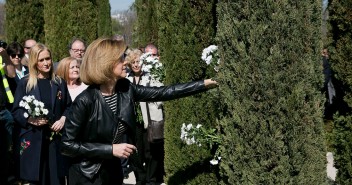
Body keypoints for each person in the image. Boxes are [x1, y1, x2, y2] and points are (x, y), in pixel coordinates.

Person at [61, 37, 218, 185]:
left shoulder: (125, 89)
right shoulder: (85, 100)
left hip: (113, 170)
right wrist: (110, 150)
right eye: (121, 59)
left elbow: (162, 92)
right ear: (106, 64)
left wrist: (203, 84)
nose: (126, 62)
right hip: (88, 175)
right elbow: (67, 145)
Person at [12, 43, 72, 185]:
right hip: (34, 140)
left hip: (55, 142)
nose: (46, 63)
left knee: (56, 179)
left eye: (48, 59)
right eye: (41, 60)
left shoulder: (59, 82)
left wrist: (63, 119)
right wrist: (29, 120)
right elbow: (16, 111)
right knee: (38, 179)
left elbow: (69, 106)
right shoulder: (25, 83)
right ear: (34, 62)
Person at [126, 48, 165, 185]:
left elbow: (160, 93)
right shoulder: (126, 78)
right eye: (133, 62)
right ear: (130, 64)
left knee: (150, 152)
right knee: (136, 153)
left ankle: (151, 179)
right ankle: (140, 178)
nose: (136, 65)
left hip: (148, 119)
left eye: (138, 62)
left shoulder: (150, 76)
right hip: (133, 121)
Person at [0, 51, 16, 185]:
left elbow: (12, 74)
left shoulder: (1, 58)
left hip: (3, 111)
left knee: (5, 151)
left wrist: (5, 55)